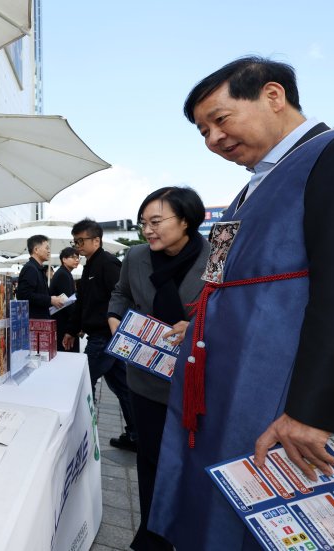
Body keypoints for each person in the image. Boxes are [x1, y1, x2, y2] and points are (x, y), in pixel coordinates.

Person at [150, 56, 334, 550]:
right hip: (227, 385)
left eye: (220, 119)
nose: (213, 139)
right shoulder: (251, 187)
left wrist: (315, 410)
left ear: (273, 95)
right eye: (203, 131)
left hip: (282, 394)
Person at [107, 187, 209, 551]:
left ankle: (190, 531)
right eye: (143, 223)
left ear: (186, 221)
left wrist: (197, 326)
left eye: (156, 221)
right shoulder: (136, 256)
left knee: (191, 461)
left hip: (196, 380)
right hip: (146, 377)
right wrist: (114, 317)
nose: (147, 230)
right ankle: (152, 537)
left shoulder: (217, 257)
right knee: (150, 458)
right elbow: (120, 293)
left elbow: (233, 307)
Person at [63, 219, 137, 452]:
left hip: (105, 336)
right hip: (101, 335)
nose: (77, 246)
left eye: (81, 241)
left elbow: (123, 297)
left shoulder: (108, 263)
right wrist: (72, 330)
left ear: (96, 240)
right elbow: (83, 302)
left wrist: (119, 330)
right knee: (122, 387)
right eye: (75, 242)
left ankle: (85, 436)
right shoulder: (89, 266)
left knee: (85, 382)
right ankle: (136, 435)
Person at [15, 235, 65, 319]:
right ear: (36, 250)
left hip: (40, 319)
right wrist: (50, 300)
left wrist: (52, 298)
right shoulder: (30, 268)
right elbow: (24, 295)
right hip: (34, 321)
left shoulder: (38, 268)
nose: (49, 251)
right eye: (47, 248)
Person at [49, 247, 80, 352]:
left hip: (63, 320)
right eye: (73, 257)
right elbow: (68, 303)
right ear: (64, 259)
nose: (77, 260)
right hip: (63, 322)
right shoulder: (63, 274)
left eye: (78, 257)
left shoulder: (65, 273)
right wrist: (76, 324)